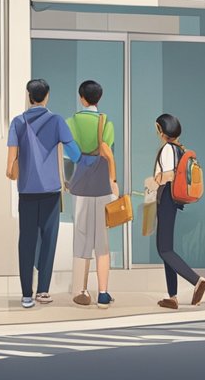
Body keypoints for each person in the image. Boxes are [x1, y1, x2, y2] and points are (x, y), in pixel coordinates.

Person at [6, 79, 74, 309]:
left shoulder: (17, 122)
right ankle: (43, 291)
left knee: (26, 241)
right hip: (51, 191)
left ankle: (26, 295)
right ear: (47, 96)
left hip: (26, 192)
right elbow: (72, 151)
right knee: (48, 240)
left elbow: (9, 170)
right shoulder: (56, 121)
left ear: (28, 95)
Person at [65, 80, 118, 309]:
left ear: (81, 98)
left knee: (82, 236)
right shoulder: (107, 124)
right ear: (99, 98)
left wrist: (68, 182)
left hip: (80, 186)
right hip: (103, 186)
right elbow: (108, 153)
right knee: (102, 241)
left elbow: (70, 158)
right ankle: (103, 293)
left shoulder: (71, 122)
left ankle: (82, 290)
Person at [152, 113, 205, 309]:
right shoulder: (179, 149)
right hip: (173, 199)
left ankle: (197, 280)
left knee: (164, 249)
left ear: (162, 131)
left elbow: (168, 175)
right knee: (167, 248)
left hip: (166, 197)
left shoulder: (168, 149)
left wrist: (153, 182)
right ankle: (172, 296)